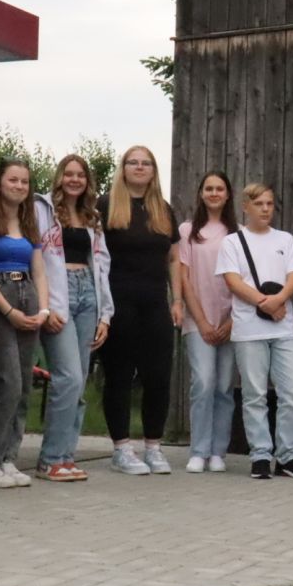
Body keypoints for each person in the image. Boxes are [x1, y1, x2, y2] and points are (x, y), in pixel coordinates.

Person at [218, 183, 293, 479]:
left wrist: (280, 300)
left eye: (270, 203)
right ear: (246, 207)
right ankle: (259, 455)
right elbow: (232, 281)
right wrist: (264, 303)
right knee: (254, 393)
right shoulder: (232, 242)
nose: (266, 209)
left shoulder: (285, 239)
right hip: (248, 327)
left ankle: (287, 456)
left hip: (283, 328)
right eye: (259, 204)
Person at [99, 145, 182, 476]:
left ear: (153, 170)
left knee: (158, 377)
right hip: (118, 303)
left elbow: (174, 258)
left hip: (154, 303)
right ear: (123, 168)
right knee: (119, 376)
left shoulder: (163, 209)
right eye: (132, 162)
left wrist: (177, 300)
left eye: (145, 163)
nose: (139, 167)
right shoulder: (106, 205)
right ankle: (121, 448)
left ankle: (153, 447)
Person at [33, 154, 112, 482]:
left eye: (81, 174)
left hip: (88, 296)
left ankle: (66, 456)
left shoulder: (92, 216)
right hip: (58, 294)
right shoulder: (43, 209)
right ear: (60, 177)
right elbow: (36, 258)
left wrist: (105, 314)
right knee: (67, 377)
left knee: (78, 381)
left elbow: (103, 265)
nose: (75, 179)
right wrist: (45, 306)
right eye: (69, 173)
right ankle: (49, 458)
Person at [0, 159, 48, 489]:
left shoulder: (30, 224)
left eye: (24, 182)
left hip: (28, 296)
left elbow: (40, 271)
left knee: (24, 388)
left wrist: (43, 310)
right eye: (13, 180)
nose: (19, 186)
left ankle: (9, 458)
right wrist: (7, 311)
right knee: (8, 383)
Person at [178, 171, 238, 472]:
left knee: (225, 386)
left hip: (231, 321)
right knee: (203, 382)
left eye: (220, 189)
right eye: (209, 188)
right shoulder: (188, 231)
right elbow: (184, 279)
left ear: (228, 195)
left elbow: (244, 281)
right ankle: (199, 450)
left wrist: (230, 322)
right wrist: (201, 321)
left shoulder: (237, 234)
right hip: (197, 320)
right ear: (201, 193)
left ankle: (218, 452)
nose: (214, 193)